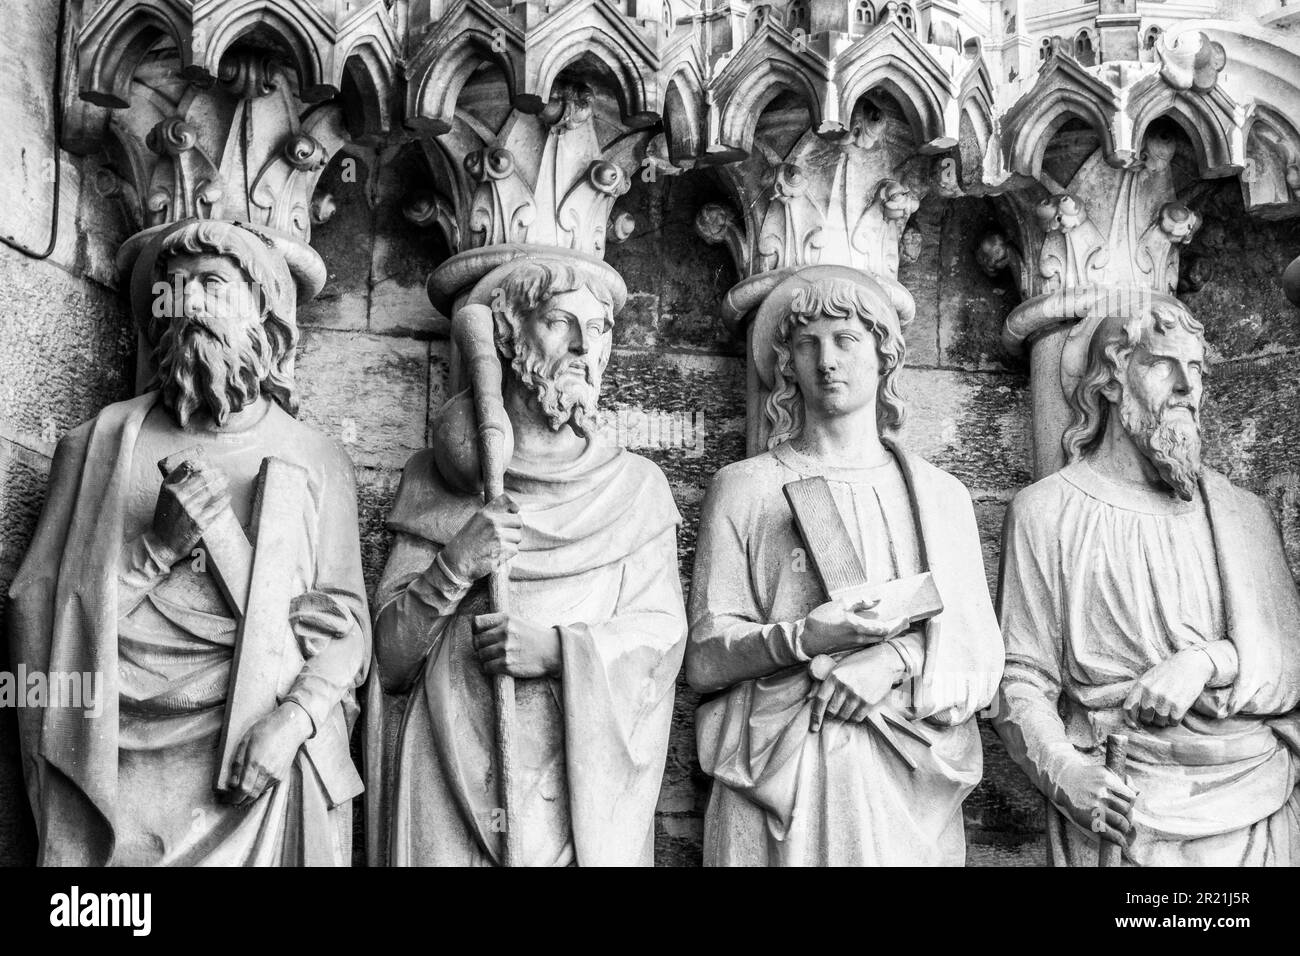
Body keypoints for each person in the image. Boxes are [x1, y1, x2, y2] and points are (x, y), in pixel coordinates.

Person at [8, 219, 370, 866]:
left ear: (262, 310)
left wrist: (293, 723)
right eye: (173, 290)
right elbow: (36, 616)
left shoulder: (315, 459)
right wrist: (157, 552)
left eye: (212, 286)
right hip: (114, 765)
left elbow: (346, 630)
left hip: (262, 761)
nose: (191, 304)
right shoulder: (98, 445)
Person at [374, 256, 687, 866]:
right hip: (449, 765)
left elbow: (662, 639)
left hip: (576, 791)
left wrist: (557, 651)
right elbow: (388, 658)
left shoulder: (635, 490)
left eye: (597, 330)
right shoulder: (443, 481)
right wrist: (456, 565)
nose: (581, 347)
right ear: (510, 338)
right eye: (559, 323)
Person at [686, 265, 1003, 865]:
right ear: (786, 362)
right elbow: (704, 657)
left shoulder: (937, 496)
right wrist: (804, 637)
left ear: (885, 355)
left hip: (906, 779)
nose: (826, 360)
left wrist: (894, 658)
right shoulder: (746, 489)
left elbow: (981, 653)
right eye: (808, 344)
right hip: (785, 770)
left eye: (846, 340)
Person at [994, 298, 1300, 866]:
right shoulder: (1047, 512)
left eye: (1198, 370)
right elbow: (1019, 679)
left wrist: (1210, 662)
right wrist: (1065, 772)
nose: (1187, 386)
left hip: (1256, 799)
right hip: (1123, 802)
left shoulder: (1241, 514)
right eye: (1162, 364)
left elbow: (1293, 659)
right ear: (1111, 381)